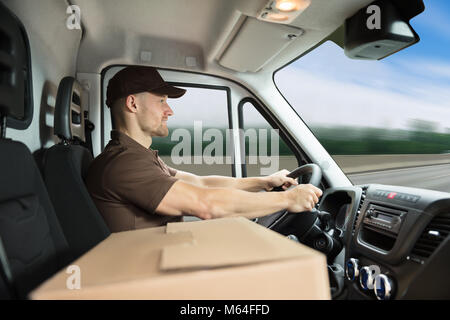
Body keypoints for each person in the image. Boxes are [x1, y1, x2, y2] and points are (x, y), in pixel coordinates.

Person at [85, 66, 322, 232]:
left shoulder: (138, 157)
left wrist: (264, 182)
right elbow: (206, 205)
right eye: (161, 101)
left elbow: (201, 184)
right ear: (133, 103)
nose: (170, 111)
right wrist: (288, 199)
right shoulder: (125, 163)